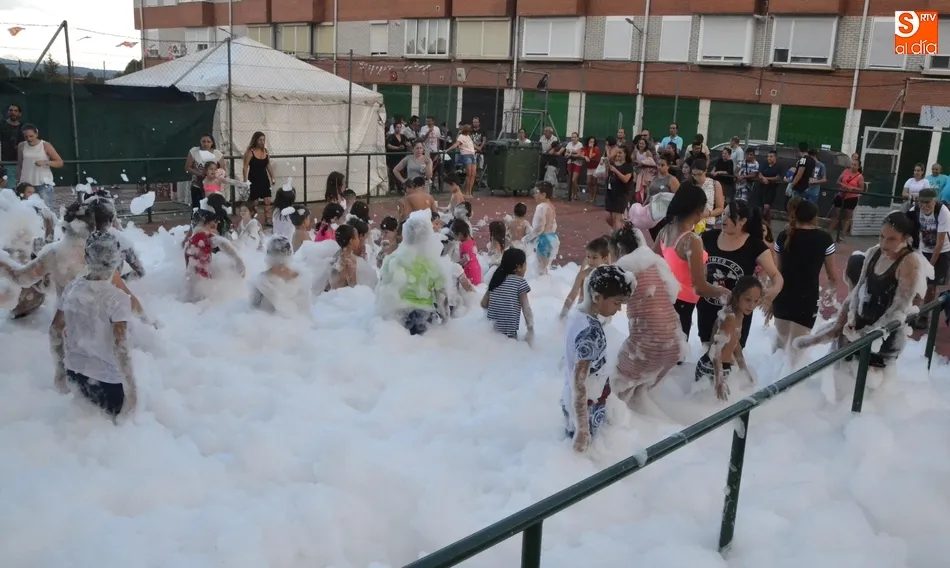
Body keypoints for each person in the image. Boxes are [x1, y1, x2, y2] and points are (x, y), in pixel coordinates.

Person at [795, 212, 929, 375]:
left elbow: (897, 310)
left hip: (883, 341)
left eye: (891, 239)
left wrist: (865, 336)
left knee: (866, 390)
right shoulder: (874, 252)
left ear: (905, 238)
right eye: (881, 236)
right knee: (839, 377)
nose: (884, 243)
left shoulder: (910, 262)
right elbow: (857, 290)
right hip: (860, 326)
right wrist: (847, 319)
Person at [49, 231, 138, 421]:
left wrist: (59, 370)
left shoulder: (72, 288)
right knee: (115, 429)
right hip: (107, 382)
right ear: (116, 260)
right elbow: (120, 347)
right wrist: (132, 391)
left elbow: (55, 330)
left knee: (85, 422)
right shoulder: (117, 298)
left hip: (75, 373)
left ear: (87, 257)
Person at [611, 223, 688, 406]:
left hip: (648, 346)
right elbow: (672, 295)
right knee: (641, 391)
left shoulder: (624, 267)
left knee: (616, 395)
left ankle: (619, 424)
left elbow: (606, 307)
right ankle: (646, 420)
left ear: (620, 249)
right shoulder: (656, 262)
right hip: (675, 345)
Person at [562, 265, 633, 453]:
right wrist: (583, 430)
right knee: (587, 447)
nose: (618, 309)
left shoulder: (578, 316)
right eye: (617, 303)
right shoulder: (590, 333)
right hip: (587, 406)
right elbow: (580, 382)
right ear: (597, 297)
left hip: (574, 398)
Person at [697, 200, 783, 349]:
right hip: (707, 307)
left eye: (730, 216)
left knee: (731, 355)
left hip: (737, 312)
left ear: (743, 221)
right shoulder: (708, 237)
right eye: (723, 214)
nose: (724, 219)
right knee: (707, 349)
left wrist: (770, 295)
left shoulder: (754, 245)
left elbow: (776, 276)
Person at [653, 183, 727, 339]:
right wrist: (724, 292)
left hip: (666, 300)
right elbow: (699, 287)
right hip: (682, 305)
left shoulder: (665, 230)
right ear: (698, 210)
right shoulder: (691, 240)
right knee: (676, 353)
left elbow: (653, 265)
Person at [769, 200, 838, 362]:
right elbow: (832, 275)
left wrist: (771, 297)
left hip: (783, 296)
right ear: (815, 218)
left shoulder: (783, 235)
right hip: (806, 299)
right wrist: (832, 291)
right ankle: (790, 385)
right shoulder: (824, 239)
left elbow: (777, 271)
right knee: (796, 354)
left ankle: (767, 382)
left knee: (779, 347)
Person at [376, 209, 449, 336]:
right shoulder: (433, 265)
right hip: (424, 318)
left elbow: (382, 290)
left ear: (405, 234)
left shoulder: (393, 259)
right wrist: (446, 321)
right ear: (428, 236)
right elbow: (442, 299)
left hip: (398, 317)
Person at [695, 275, 762, 401]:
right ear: (737, 296)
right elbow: (716, 350)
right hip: (710, 368)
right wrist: (719, 381)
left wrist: (744, 370)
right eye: (748, 299)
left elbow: (735, 344)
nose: (752, 305)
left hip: (721, 368)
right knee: (712, 407)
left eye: (756, 301)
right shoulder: (730, 317)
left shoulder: (739, 315)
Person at [907, 188, 950, 329]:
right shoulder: (915, 210)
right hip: (923, 248)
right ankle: (912, 313)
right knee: (917, 282)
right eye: (922, 202)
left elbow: (940, 243)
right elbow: (909, 230)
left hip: (942, 250)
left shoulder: (943, 212)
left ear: (935, 200)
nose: (924, 205)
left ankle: (924, 316)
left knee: (931, 285)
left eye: (928, 202)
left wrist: (930, 266)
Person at [249, 236, 312, 317]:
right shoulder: (301, 277)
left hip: (269, 325)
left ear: (269, 255)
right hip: (296, 325)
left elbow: (253, 310)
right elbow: (305, 312)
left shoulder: (261, 281)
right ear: (290, 254)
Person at [481, 248, 534, 342]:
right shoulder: (520, 283)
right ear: (518, 267)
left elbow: (483, 304)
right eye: (525, 264)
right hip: (509, 336)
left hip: (489, 332)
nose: (526, 268)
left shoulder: (496, 279)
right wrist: (531, 332)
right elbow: (527, 309)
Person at [559, 237, 610, 318]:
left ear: (605, 259)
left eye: (594, 257)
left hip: (600, 317)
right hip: (582, 314)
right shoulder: (583, 275)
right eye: (588, 257)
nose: (590, 261)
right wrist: (562, 315)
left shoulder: (608, 275)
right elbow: (572, 296)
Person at [16, 124, 63, 208]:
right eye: (26, 137)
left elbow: (60, 162)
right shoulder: (21, 146)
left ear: (36, 134)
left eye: (31, 136)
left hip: (43, 183)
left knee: (45, 210)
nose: (29, 139)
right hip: (26, 184)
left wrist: (45, 162)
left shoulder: (45, 145)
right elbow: (20, 165)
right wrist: (18, 181)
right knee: (27, 209)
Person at [827, 156, 865, 243]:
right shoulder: (845, 171)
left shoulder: (860, 177)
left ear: (858, 166)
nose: (853, 166)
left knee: (847, 217)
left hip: (851, 197)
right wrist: (842, 185)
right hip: (841, 195)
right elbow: (838, 181)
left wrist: (853, 188)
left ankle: (842, 235)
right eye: (852, 164)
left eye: (855, 165)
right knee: (836, 214)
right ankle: (829, 232)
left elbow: (862, 189)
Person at [242, 131, 275, 219]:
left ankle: (268, 219)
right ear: (255, 140)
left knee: (268, 200)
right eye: (260, 140)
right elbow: (245, 167)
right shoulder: (250, 152)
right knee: (254, 202)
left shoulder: (266, 152)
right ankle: (254, 219)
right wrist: (245, 181)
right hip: (253, 179)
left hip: (264, 179)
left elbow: (268, 165)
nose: (262, 142)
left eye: (263, 140)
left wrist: (272, 177)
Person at [530, 182, 558, 275]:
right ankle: (546, 285)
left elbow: (539, 227)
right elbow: (554, 224)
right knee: (545, 267)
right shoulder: (551, 206)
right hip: (552, 238)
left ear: (543, 195)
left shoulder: (541, 207)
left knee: (540, 268)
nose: (534, 195)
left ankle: (541, 286)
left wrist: (529, 238)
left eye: (536, 192)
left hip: (544, 240)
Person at [605, 145, 634, 229]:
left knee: (616, 217)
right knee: (608, 217)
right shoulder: (613, 164)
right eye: (617, 152)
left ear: (625, 154)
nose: (618, 155)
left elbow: (625, 179)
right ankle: (620, 230)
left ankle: (617, 237)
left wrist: (616, 171)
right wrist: (607, 168)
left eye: (620, 153)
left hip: (621, 194)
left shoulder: (628, 166)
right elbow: (607, 177)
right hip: (611, 192)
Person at [758, 150, 782, 222]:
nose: (769, 158)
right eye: (768, 156)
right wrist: (763, 178)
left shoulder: (778, 166)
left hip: (772, 189)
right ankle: (768, 225)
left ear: (775, 157)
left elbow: (778, 177)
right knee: (764, 209)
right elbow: (760, 174)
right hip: (762, 188)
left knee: (766, 208)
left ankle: (763, 222)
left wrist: (767, 178)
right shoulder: (765, 164)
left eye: (771, 156)